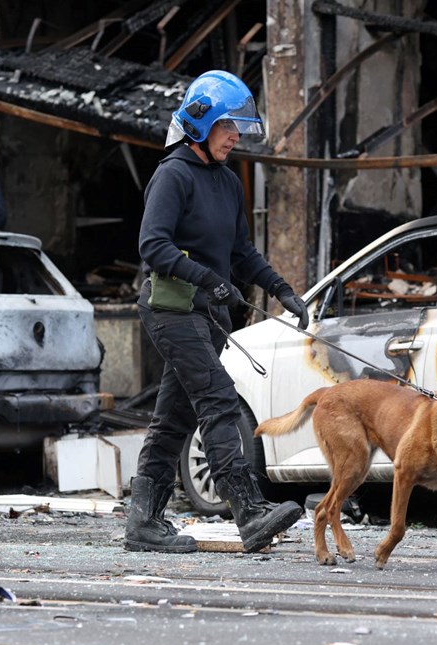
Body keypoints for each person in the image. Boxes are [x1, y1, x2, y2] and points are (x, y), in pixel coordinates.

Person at [124, 70, 310, 554]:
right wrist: (208, 278)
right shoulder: (173, 175)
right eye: (229, 126)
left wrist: (282, 290)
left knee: (173, 418)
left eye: (240, 127)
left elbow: (241, 251)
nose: (235, 136)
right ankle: (248, 511)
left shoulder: (227, 182)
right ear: (201, 123)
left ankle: (143, 522)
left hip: (209, 315)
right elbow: (153, 246)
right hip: (171, 310)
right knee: (219, 399)